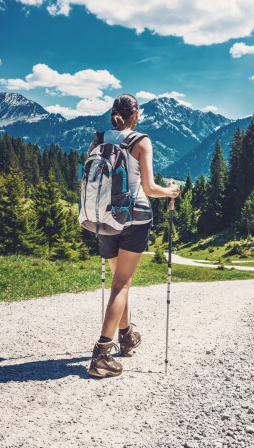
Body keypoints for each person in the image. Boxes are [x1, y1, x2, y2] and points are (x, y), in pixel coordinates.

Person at [87, 94, 180, 378]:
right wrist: (170, 192)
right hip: (134, 218)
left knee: (119, 283)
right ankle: (102, 354)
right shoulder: (141, 141)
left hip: (103, 217)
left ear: (113, 114)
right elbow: (149, 188)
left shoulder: (99, 137)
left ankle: (126, 336)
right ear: (135, 116)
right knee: (122, 285)